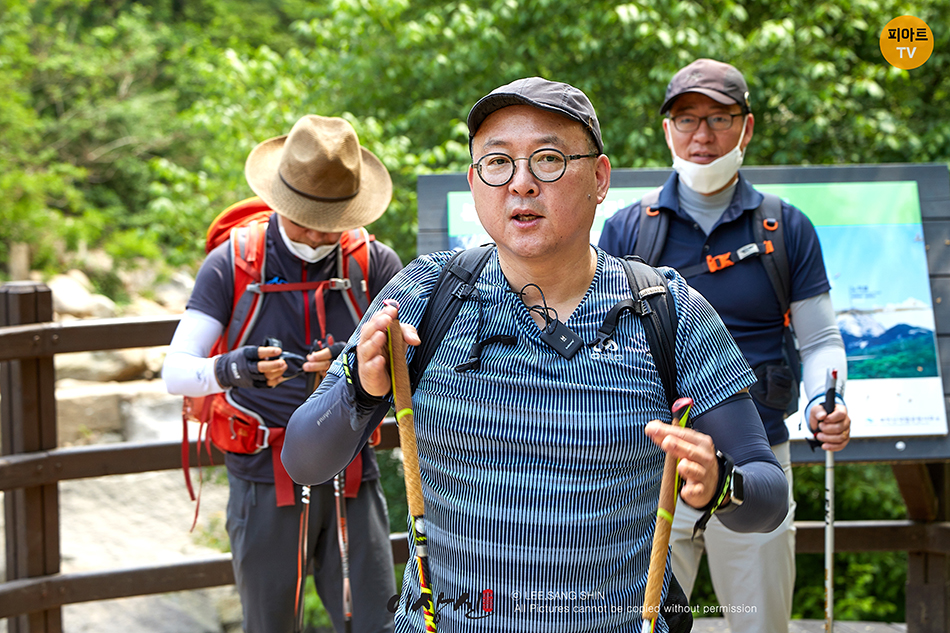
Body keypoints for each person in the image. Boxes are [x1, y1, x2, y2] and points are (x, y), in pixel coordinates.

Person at [283, 77, 789, 632]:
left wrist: (722, 484)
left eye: (548, 160)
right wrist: (360, 390)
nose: (521, 183)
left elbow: (768, 496)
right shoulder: (425, 295)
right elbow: (305, 461)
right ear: (475, 183)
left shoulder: (664, 309)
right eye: (497, 163)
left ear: (599, 179)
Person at [599, 58, 852, 633]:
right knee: (642, 623)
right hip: (649, 463)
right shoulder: (628, 229)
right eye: (687, 119)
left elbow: (819, 338)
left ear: (747, 127)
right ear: (667, 130)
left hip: (758, 454)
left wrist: (825, 402)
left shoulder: (784, 227)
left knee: (759, 623)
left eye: (719, 118)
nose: (702, 135)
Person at [162, 115, 403, 633]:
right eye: (304, 219)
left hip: (351, 472)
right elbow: (176, 372)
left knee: (376, 624)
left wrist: (354, 364)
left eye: (330, 222)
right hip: (263, 473)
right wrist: (234, 368)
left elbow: (412, 367)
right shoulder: (232, 262)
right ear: (278, 200)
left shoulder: (373, 264)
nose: (317, 235)